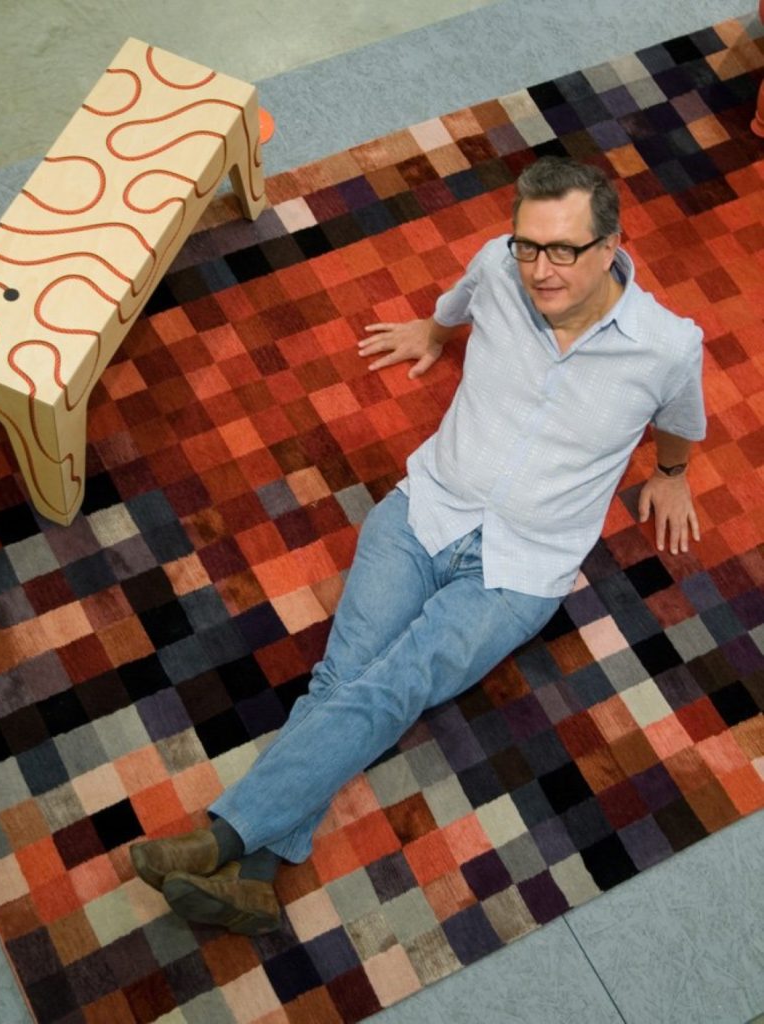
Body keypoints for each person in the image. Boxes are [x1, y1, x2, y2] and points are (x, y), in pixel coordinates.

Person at [130, 156, 706, 934]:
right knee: (343, 675)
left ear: (611, 247)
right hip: (425, 509)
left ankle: (223, 839)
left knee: (399, 681)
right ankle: (256, 882)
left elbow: (678, 417)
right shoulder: (498, 269)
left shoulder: (667, 346)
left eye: (564, 250)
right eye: (528, 245)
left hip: (520, 569)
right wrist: (434, 330)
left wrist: (671, 473)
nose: (540, 270)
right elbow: (463, 297)